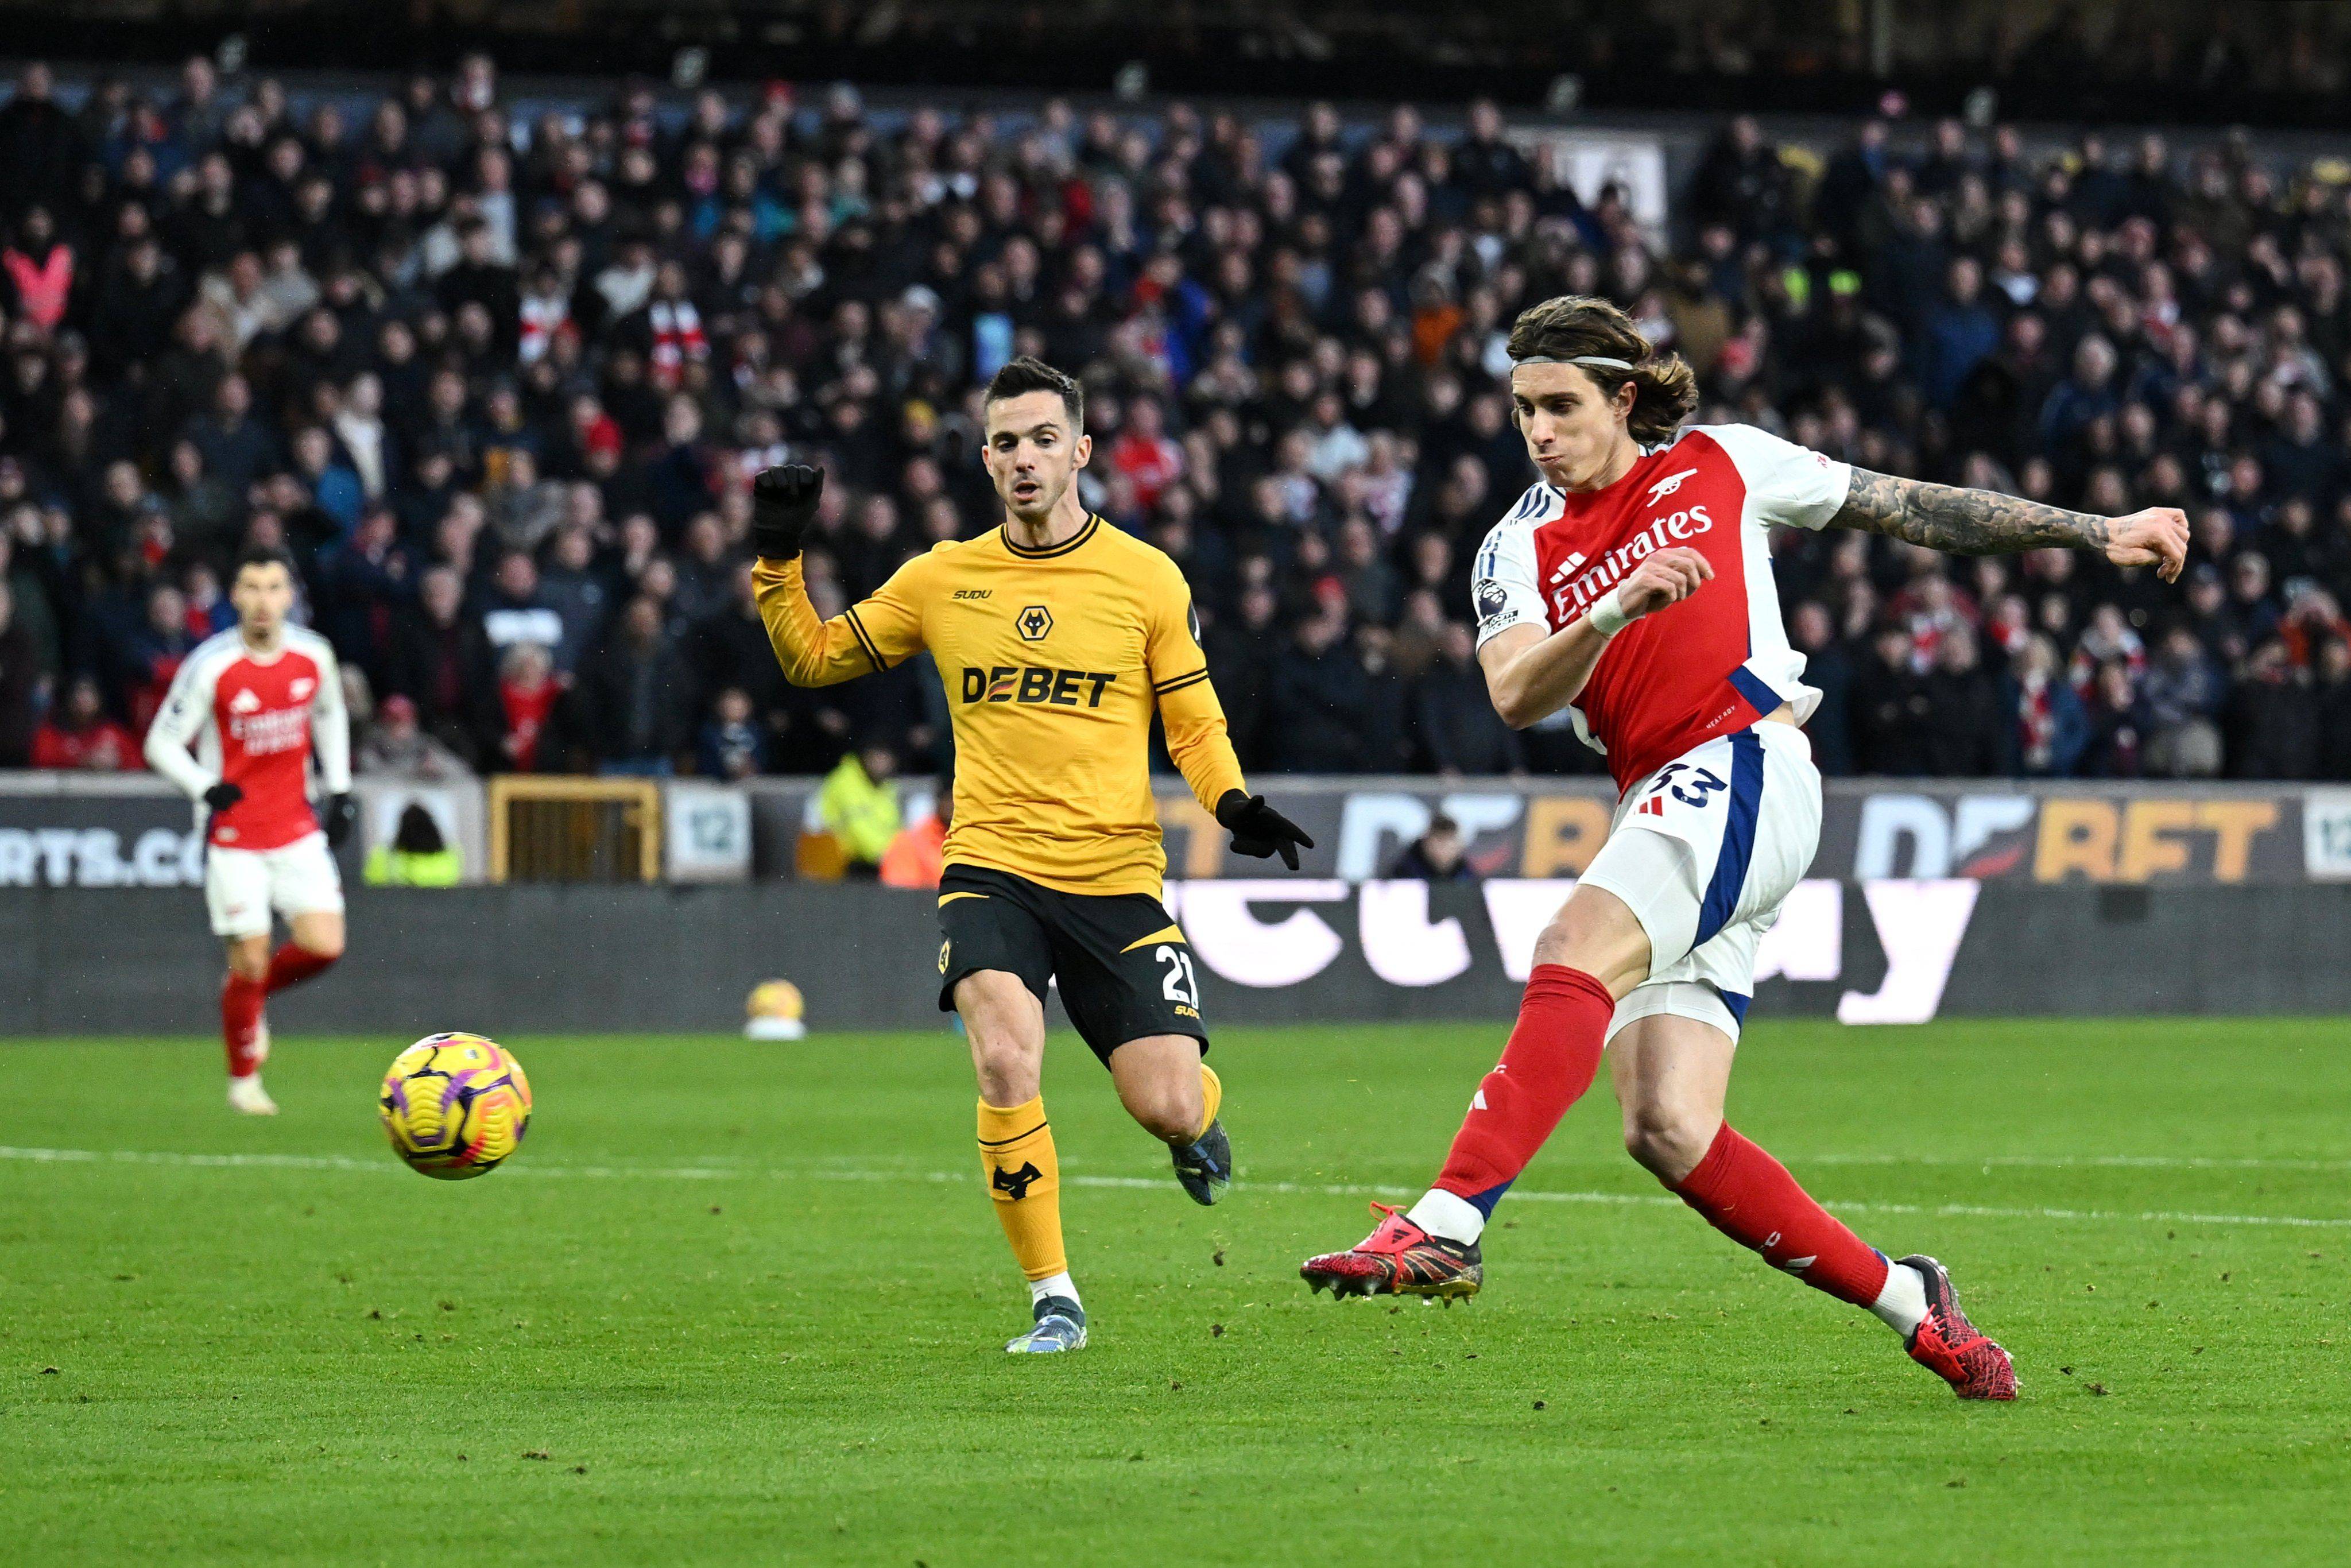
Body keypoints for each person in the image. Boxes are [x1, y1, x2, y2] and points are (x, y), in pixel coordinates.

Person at [1300, 295, 2187, 1401]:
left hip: (1745, 762)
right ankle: (1914, 1301)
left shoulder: (1723, 462)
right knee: (1667, 1125)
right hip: (1659, 800)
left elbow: (1904, 507)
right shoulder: (1512, 545)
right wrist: (1614, 610)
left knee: (1573, 942)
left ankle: (1446, 1222)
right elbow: (1517, 691)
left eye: (1562, 406)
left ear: (1623, 399)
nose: (1539, 430)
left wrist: (2092, 531)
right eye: (1524, 407)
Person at [752, 355, 1311, 1355]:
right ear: (985, 457)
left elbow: (1191, 719)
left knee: (1166, 1102)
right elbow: (812, 657)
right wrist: (779, 558)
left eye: (1043, 438)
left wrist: (1233, 801)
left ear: (1081, 452)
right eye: (1005, 441)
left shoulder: (1145, 577)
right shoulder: (944, 576)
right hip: (991, 866)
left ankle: (1199, 1127)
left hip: (1114, 876)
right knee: (1006, 1058)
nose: (1023, 457)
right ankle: (1055, 1296)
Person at [145, 545, 357, 1116]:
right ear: (234, 595)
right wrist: (203, 787)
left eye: (273, 588)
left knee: (324, 944)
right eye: (252, 588)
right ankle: (244, 1081)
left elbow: (331, 713)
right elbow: (160, 742)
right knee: (252, 959)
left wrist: (339, 787)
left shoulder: (315, 656)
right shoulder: (212, 665)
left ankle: (247, 996)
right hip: (234, 835)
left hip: (296, 827)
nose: (263, 601)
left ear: (290, 596)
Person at [1385, 812, 1476, 880]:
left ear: (1459, 846)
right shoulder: (1403, 873)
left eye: (1449, 842)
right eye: (1439, 841)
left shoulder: (1468, 875)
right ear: (1426, 843)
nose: (1443, 849)